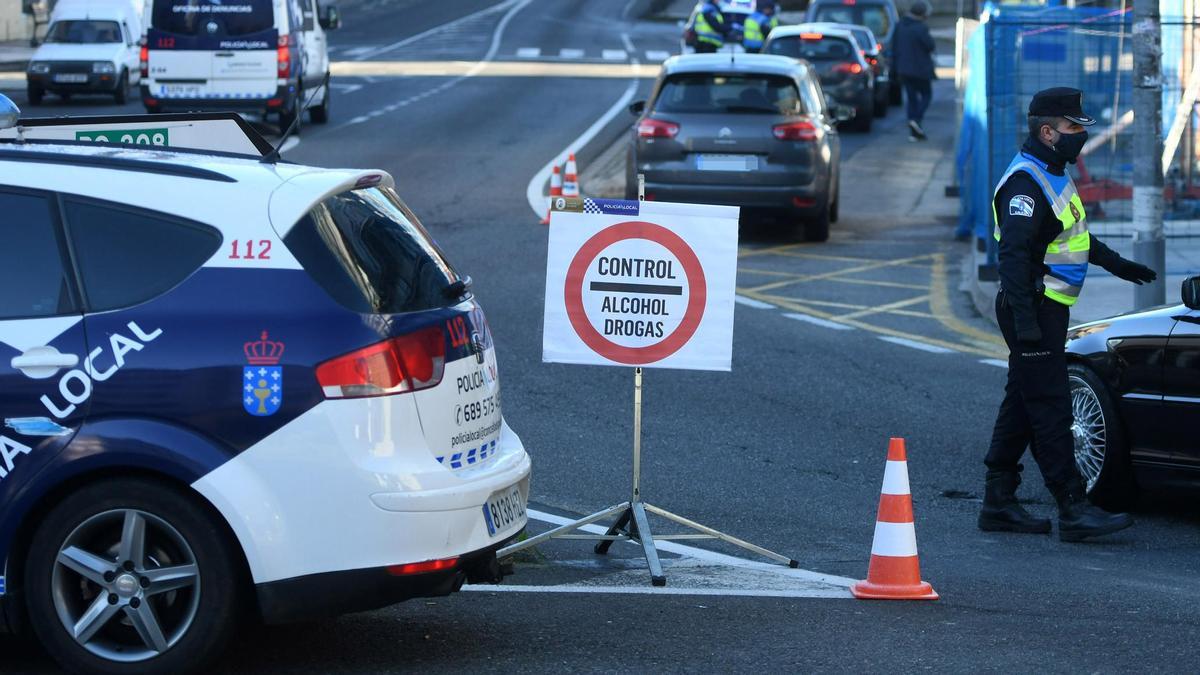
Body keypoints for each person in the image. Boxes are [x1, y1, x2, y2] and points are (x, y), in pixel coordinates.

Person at [980, 87, 1157, 542]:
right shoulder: (1026, 184)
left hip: (1046, 309)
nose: (1080, 134)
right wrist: (1026, 325)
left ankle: (999, 500)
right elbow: (1014, 259)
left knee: (1022, 400)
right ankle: (1073, 507)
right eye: (1073, 127)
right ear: (1047, 131)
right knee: (1051, 408)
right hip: (1035, 309)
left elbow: (1073, 236)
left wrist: (1117, 264)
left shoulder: (1051, 172)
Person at [892, 0, 935, 141]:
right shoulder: (921, 28)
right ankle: (916, 120)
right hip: (920, 70)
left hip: (903, 69)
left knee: (911, 99)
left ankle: (914, 131)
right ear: (922, 14)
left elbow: (894, 47)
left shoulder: (900, 26)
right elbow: (930, 46)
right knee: (926, 95)